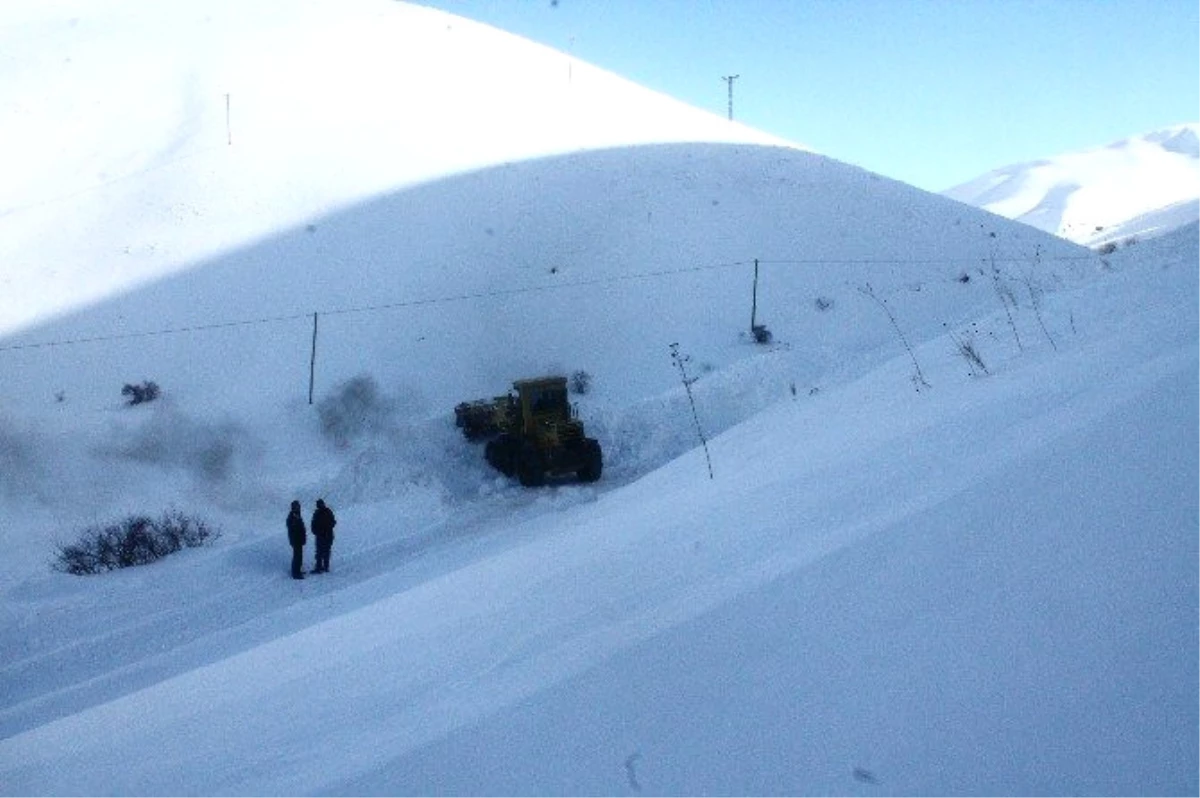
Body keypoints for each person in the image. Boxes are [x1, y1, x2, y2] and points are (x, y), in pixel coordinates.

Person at [310, 498, 337, 574]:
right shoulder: (317, 512)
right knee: (320, 552)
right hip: (321, 536)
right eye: (318, 505)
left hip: (327, 535)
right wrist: (315, 531)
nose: (319, 506)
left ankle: (324, 566)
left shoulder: (327, 512)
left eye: (320, 504)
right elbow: (313, 524)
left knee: (325, 551)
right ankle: (320, 567)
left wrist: (325, 528)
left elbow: (333, 522)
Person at [286, 500, 307, 580]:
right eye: (297, 506)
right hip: (295, 540)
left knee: (299, 555)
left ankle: (298, 570)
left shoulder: (297, 515)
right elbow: (293, 528)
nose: (298, 508)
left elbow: (301, 527)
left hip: (299, 539)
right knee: (297, 556)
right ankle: (295, 573)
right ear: (293, 507)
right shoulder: (292, 516)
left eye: (299, 506)